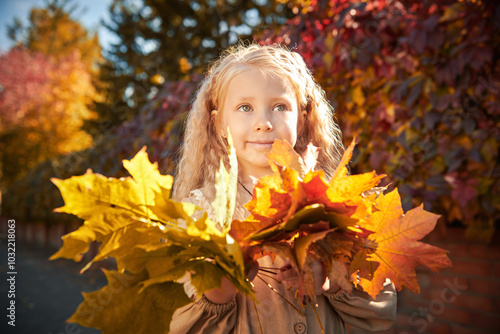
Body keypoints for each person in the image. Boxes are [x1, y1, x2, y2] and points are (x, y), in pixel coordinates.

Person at [170, 43, 396, 333]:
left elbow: (383, 309)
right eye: (245, 107)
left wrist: (329, 277)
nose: (263, 123)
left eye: (280, 107)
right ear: (217, 123)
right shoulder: (198, 215)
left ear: (302, 120)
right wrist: (221, 287)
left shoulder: (334, 203)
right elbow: (178, 322)